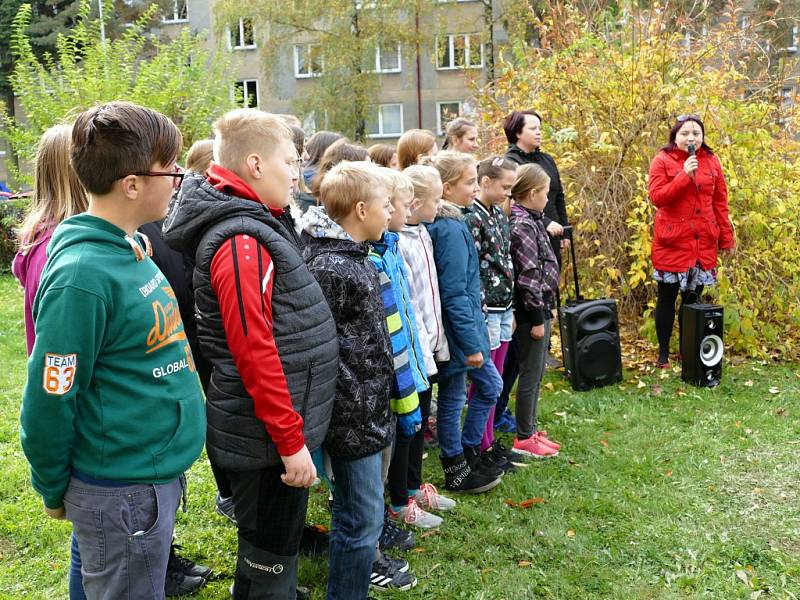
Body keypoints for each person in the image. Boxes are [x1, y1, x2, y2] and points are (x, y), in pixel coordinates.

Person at [20, 101, 206, 600]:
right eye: (171, 170)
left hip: (138, 479)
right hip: (122, 489)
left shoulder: (126, 246)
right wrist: (53, 485)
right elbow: (50, 395)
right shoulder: (82, 277)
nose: (177, 180)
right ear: (131, 184)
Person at [163, 109, 339, 599]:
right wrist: (289, 441)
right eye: (290, 161)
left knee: (274, 547)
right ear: (257, 164)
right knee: (267, 550)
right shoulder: (241, 240)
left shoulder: (254, 222)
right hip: (263, 441)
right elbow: (253, 350)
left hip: (269, 434)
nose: (297, 173)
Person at [301, 161, 414, 598]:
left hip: (368, 411)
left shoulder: (356, 259)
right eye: (386, 206)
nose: (390, 213)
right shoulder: (332, 268)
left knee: (364, 515)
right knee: (360, 519)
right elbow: (318, 349)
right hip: (351, 417)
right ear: (362, 210)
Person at [373, 170, 454, 531]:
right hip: (404, 357)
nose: (400, 210)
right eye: (398, 204)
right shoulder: (395, 246)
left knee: (417, 423)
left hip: (420, 349)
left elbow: (419, 300)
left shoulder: (408, 239)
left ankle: (411, 488)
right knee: (404, 429)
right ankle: (398, 500)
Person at [426, 151, 504, 494]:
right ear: (446, 188)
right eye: (470, 182)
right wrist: (472, 344)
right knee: (481, 388)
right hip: (459, 333)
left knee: (458, 395)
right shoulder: (451, 229)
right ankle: (459, 459)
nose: (475, 188)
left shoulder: (451, 223)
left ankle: (465, 456)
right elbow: (455, 293)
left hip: (459, 329)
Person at [648, 114, 735, 367]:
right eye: (685, 133)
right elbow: (658, 197)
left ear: (702, 137)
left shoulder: (712, 161)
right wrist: (684, 175)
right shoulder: (662, 160)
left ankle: (688, 351)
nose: (691, 138)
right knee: (666, 298)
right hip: (672, 242)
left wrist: (726, 239)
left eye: (696, 133)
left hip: (703, 242)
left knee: (692, 300)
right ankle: (663, 353)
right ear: (675, 136)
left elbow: (720, 202)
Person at [464, 156, 523, 470]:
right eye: (505, 187)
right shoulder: (471, 217)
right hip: (486, 310)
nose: (508, 194)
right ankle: (479, 443)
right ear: (484, 181)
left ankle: (488, 442)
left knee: (498, 376)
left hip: (504, 307)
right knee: (485, 382)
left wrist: (511, 306)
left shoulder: (500, 215)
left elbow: (506, 262)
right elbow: (472, 266)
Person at [508, 164, 562, 458]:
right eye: (545, 192)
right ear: (531, 193)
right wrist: (539, 318)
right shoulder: (523, 225)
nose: (548, 198)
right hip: (532, 313)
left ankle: (531, 428)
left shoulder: (532, 219)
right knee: (531, 372)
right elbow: (528, 276)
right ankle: (524, 436)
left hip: (541, 307)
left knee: (537, 370)